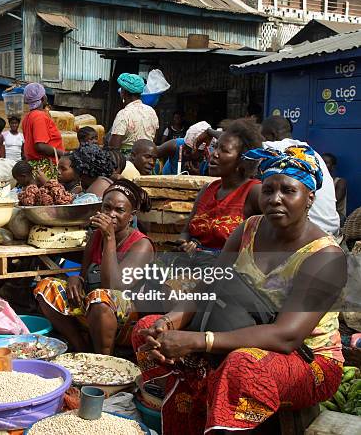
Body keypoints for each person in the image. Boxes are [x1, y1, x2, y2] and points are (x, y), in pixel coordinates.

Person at [132, 145, 345, 435]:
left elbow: (287, 336)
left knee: (242, 366)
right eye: (268, 190)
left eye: (288, 191)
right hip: (243, 331)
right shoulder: (248, 229)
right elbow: (210, 286)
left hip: (308, 360)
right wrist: (169, 322)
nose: (275, 199)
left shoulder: (325, 257)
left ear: (309, 198)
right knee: (146, 328)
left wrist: (197, 340)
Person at [35, 179, 154, 353]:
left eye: (119, 210)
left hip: (126, 315)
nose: (111, 214)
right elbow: (84, 274)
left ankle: (104, 359)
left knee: (100, 298)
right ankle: (81, 348)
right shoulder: (97, 236)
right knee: (45, 288)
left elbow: (113, 287)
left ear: (131, 215)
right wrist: (76, 279)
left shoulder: (142, 245)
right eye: (107, 208)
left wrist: (109, 239)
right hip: (94, 303)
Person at [178, 119, 263, 253]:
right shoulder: (207, 190)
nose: (214, 154)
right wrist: (184, 243)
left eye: (224, 150)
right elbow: (186, 232)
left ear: (242, 160)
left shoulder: (253, 192)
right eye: (216, 147)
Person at [261, 115, 340, 235]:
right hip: (332, 229)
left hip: (312, 233)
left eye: (263, 137)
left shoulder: (274, 149)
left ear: (271, 135)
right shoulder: (309, 152)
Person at [108, 73, 159, 154]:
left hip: (129, 161)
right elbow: (154, 139)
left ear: (123, 92)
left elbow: (114, 146)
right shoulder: (151, 111)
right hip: (148, 157)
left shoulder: (124, 113)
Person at [22, 83, 65, 179]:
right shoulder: (39, 116)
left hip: (35, 165)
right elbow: (40, 146)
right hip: (44, 166)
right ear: (42, 98)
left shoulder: (28, 117)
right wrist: (63, 153)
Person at [323, 152, 347, 227]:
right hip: (321, 215)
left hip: (336, 216)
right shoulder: (316, 181)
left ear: (333, 167)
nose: (322, 165)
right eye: (321, 162)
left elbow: (333, 202)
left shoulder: (340, 182)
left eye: (326, 163)